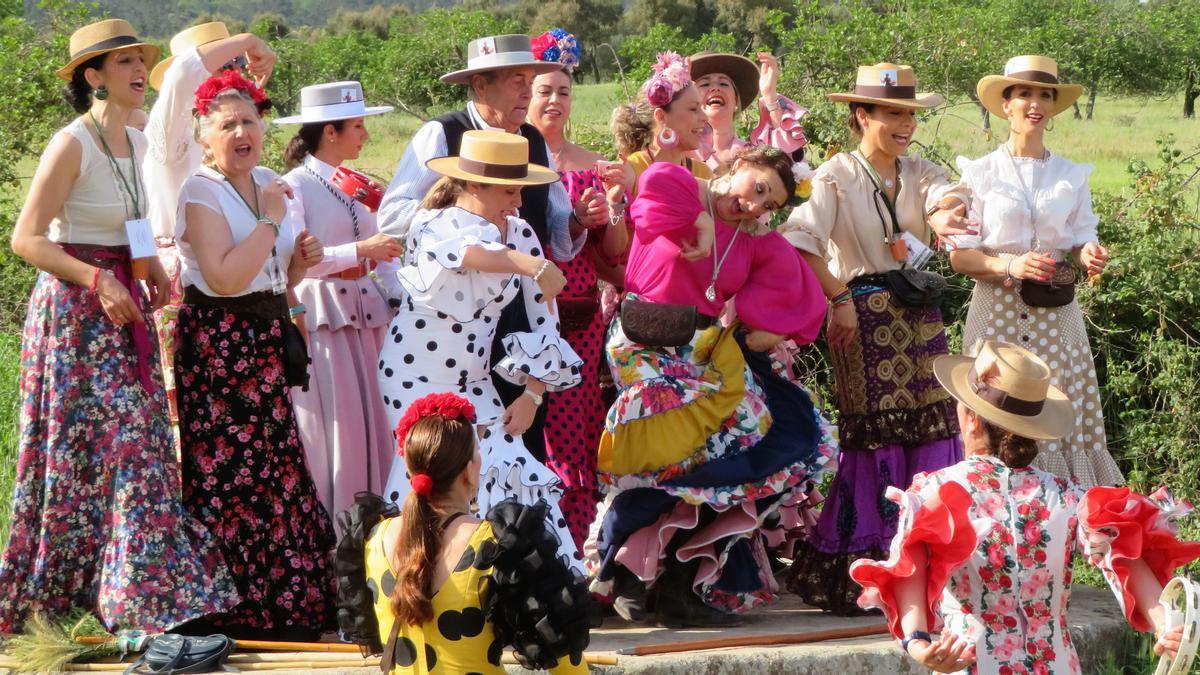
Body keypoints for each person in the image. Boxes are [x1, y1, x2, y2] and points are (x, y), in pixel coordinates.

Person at [0, 18, 238, 633]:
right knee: (98, 449)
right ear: (93, 77)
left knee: (141, 447)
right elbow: (25, 239)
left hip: (125, 301)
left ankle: (138, 596)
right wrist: (97, 278)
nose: (139, 71)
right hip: (74, 313)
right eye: (124, 62)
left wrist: (148, 266)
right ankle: (95, 598)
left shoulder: (135, 138)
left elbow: (130, 223)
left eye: (141, 59)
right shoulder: (71, 142)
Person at [590, 146, 834, 627]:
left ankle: (677, 584)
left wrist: (775, 329)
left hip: (701, 349)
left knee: (767, 444)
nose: (755, 207)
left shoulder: (755, 239)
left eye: (769, 206)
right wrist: (701, 222)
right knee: (670, 455)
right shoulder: (682, 184)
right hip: (645, 344)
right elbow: (651, 189)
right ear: (740, 165)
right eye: (758, 189)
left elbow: (802, 291)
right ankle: (622, 572)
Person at [849, 340, 1200, 674]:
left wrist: (918, 643)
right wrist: (1166, 626)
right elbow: (1124, 555)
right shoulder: (1067, 497)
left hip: (971, 664)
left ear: (971, 418)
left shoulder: (938, 491)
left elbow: (911, 567)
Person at [780, 63, 978, 616]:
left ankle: (928, 570)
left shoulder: (920, 170)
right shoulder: (834, 176)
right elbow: (800, 237)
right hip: (864, 318)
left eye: (908, 114)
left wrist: (947, 218)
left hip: (921, 315)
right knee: (876, 440)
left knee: (935, 433)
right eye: (891, 113)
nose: (904, 124)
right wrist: (837, 298)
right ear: (861, 115)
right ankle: (868, 573)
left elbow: (947, 199)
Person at [378, 34, 605, 458]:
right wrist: (463, 220)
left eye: (530, 79)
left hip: (519, 311)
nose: (527, 91)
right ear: (481, 86)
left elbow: (551, 224)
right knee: (450, 462)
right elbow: (392, 216)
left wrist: (577, 220)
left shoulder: (534, 142)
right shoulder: (442, 134)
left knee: (521, 447)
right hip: (448, 328)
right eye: (517, 80)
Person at [172, 70, 333, 639]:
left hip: (264, 339)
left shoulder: (267, 180)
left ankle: (288, 604)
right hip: (218, 346)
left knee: (278, 470)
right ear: (205, 136)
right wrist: (269, 222)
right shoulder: (200, 190)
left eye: (249, 120)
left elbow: (271, 275)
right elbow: (221, 275)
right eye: (227, 124)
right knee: (235, 477)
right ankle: (236, 607)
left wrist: (297, 265)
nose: (242, 131)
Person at [375, 130, 585, 566]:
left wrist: (532, 393)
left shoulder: (522, 234)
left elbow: (545, 321)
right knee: (434, 474)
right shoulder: (435, 223)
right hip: (415, 375)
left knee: (505, 465)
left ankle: (498, 586)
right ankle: (413, 578)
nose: (518, 202)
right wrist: (530, 263)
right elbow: (468, 253)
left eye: (521, 191)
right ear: (474, 186)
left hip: (473, 380)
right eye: (509, 191)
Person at [949, 56, 1122, 488]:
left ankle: (1062, 519)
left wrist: (1089, 253)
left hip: (1056, 314)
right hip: (996, 312)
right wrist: (1008, 263)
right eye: (1024, 93)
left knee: (1059, 404)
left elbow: (1082, 237)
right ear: (1005, 105)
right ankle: (993, 514)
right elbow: (960, 258)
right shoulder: (980, 172)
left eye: (1045, 95)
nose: (1036, 103)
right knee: (992, 404)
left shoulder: (1070, 175)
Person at [334, 392, 589, 674]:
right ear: (470, 470)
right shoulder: (498, 542)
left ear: (410, 469)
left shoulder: (372, 537)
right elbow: (566, 661)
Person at [277, 81, 402, 518]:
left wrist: (402, 296)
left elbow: (381, 252)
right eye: (358, 126)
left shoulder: (358, 183)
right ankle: (342, 524)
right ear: (330, 131)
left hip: (368, 313)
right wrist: (359, 252)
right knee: (341, 424)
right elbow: (298, 260)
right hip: (325, 313)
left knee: (381, 418)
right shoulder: (292, 186)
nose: (365, 135)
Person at [143, 21, 276, 422]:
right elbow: (186, 74)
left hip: (243, 295)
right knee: (189, 418)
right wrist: (250, 40)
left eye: (236, 63)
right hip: (185, 287)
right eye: (224, 62)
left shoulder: (237, 146)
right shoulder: (171, 137)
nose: (231, 73)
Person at [528, 28, 628, 550]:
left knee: (575, 431)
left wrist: (608, 209)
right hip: (521, 315)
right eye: (543, 90)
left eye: (563, 91)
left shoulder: (590, 164)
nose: (553, 100)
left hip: (581, 316)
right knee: (529, 432)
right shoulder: (505, 161)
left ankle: (579, 555)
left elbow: (614, 263)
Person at [689, 51, 808, 174]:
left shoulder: (755, 155)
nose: (715, 88)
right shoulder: (682, 151)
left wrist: (770, 95)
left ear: (735, 102)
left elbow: (793, 170)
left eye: (723, 83)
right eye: (704, 84)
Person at [610, 51, 712, 193]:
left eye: (701, 108)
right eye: (693, 109)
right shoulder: (632, 171)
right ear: (661, 117)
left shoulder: (703, 173)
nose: (705, 117)